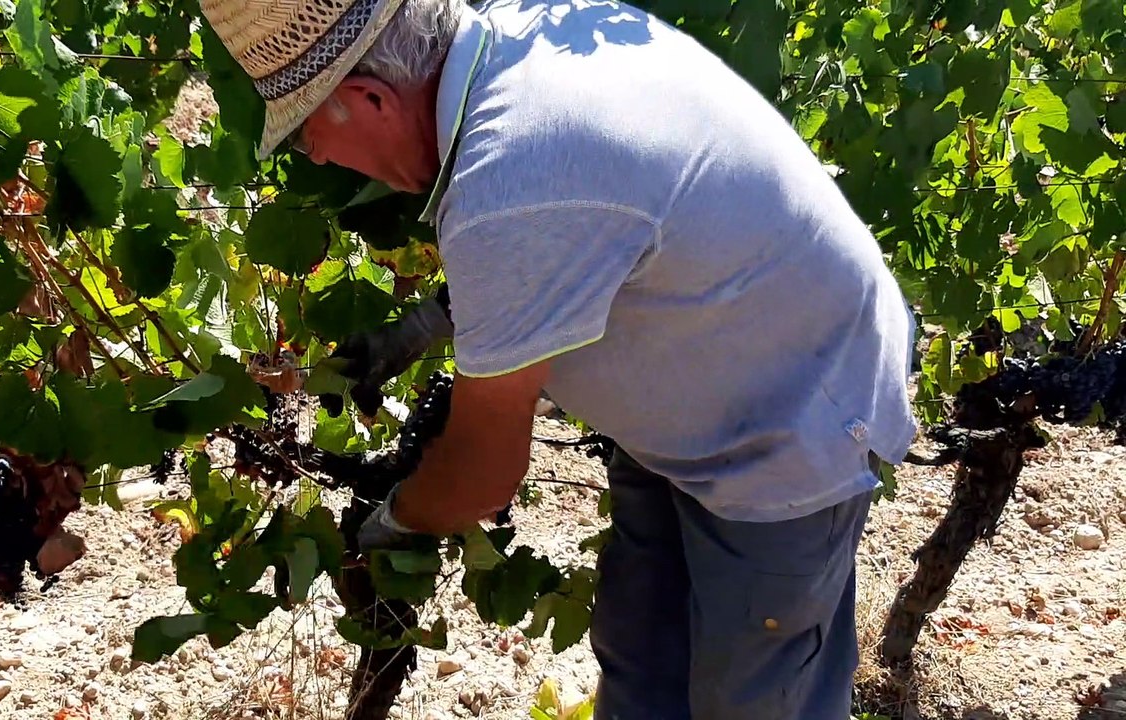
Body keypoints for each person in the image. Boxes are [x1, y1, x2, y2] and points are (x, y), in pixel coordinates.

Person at [200, 0, 919, 716]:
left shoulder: (509, 181)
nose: (318, 157)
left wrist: (394, 520)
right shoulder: (523, 36)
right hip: (695, 384)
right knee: (640, 660)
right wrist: (423, 324)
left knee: (755, 697)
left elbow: (483, 473)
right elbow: (579, 230)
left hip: (796, 417)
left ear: (370, 99)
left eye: (307, 136)